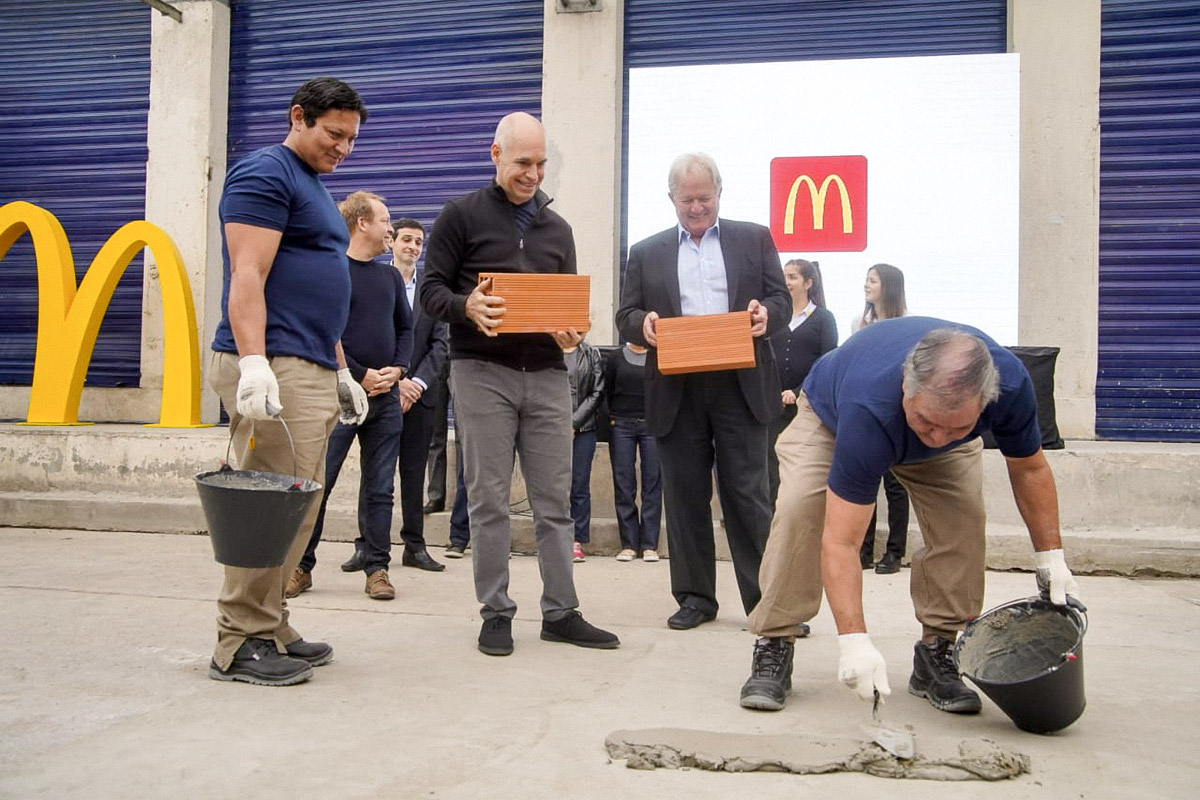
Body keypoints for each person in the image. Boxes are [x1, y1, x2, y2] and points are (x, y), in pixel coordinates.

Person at [738, 319, 1082, 715]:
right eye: (926, 422)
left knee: (963, 520)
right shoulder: (868, 406)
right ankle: (775, 639)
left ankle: (938, 649)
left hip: (924, 431)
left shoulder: (1011, 387)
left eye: (958, 425)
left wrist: (1050, 557)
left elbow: (1029, 468)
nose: (935, 437)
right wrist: (854, 640)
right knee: (801, 508)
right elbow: (842, 542)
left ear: (986, 401)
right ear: (907, 385)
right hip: (833, 419)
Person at [420, 111, 619, 656]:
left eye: (540, 164)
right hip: (481, 374)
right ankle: (497, 612)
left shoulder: (559, 230)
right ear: (495, 155)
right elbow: (428, 292)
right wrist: (466, 305)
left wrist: (573, 330)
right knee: (487, 499)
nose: (532, 174)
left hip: (548, 377)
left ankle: (561, 611)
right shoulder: (460, 216)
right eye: (522, 163)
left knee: (555, 500)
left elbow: (570, 309)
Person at [206, 77, 370, 686]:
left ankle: (270, 623)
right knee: (268, 509)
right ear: (298, 117)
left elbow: (313, 292)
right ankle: (238, 640)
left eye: (352, 138)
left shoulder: (314, 187)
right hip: (273, 365)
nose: (344, 148)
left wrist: (343, 370)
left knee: (299, 508)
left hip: (311, 365)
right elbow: (248, 273)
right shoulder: (265, 173)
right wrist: (253, 362)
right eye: (334, 134)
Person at [615, 152, 791, 631]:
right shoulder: (647, 251)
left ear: (719, 193)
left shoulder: (753, 238)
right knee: (685, 496)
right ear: (672, 198)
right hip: (677, 386)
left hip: (741, 385)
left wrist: (765, 316)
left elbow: (781, 300)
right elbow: (625, 313)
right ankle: (695, 598)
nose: (696, 208)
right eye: (687, 199)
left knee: (750, 497)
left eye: (704, 198)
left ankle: (765, 599)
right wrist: (642, 324)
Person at [291, 191, 413, 601]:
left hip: (385, 399)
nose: (390, 229)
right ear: (361, 222)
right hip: (341, 396)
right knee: (318, 483)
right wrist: (360, 376)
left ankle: (377, 569)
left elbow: (406, 330)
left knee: (380, 489)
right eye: (384, 220)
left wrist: (397, 369)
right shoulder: (331, 271)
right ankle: (301, 566)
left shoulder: (390, 276)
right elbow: (326, 332)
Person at [340, 218, 450, 574]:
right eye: (406, 239)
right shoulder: (376, 280)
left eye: (419, 242)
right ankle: (366, 546)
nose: (412, 247)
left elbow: (441, 344)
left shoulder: (431, 291)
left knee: (414, 473)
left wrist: (415, 382)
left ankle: (414, 545)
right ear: (393, 242)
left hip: (420, 396)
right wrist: (393, 380)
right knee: (375, 474)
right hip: (378, 389)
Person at [851, 263, 911, 575]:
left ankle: (894, 553)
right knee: (866, 484)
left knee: (896, 485)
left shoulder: (906, 324)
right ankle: (863, 550)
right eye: (866, 279)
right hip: (867, 412)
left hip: (898, 413)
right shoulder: (859, 323)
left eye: (872, 280)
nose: (866, 285)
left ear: (887, 286)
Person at [767, 259, 837, 507]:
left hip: (805, 405)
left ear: (808, 283)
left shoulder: (823, 319)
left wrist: (797, 392)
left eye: (793, 277)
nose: (787, 282)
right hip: (772, 404)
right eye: (784, 276)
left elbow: (826, 362)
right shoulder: (774, 319)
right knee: (770, 466)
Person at [604, 342, 662, 562]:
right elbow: (607, 389)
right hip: (621, 425)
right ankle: (628, 544)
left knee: (653, 482)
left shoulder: (658, 354)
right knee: (623, 481)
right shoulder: (616, 357)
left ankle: (649, 545)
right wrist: (613, 417)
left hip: (652, 425)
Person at [564, 337, 604, 562]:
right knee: (554, 487)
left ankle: (577, 539)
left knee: (579, 484)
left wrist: (574, 423)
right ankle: (554, 538)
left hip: (584, 429)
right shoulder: (547, 349)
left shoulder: (591, 354)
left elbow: (597, 392)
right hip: (550, 428)